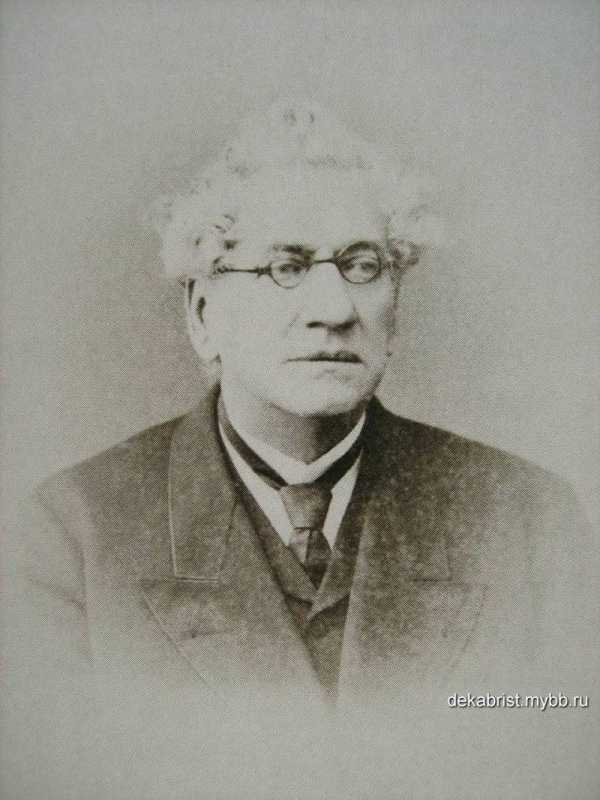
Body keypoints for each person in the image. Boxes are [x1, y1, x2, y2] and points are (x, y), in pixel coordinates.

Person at [10, 102, 592, 723]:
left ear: (394, 301)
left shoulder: (530, 523)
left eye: (362, 265)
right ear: (203, 313)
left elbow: (560, 732)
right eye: (286, 267)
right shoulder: (72, 534)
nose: (334, 309)